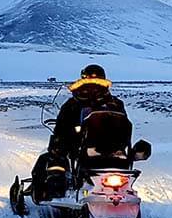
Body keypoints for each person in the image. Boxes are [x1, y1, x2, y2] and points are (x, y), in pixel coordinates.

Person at [31, 65, 129, 200]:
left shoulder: (74, 103)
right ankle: (54, 187)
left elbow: (61, 128)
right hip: (109, 148)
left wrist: (60, 142)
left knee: (51, 156)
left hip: (96, 147)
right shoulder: (115, 103)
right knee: (54, 156)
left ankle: (49, 191)